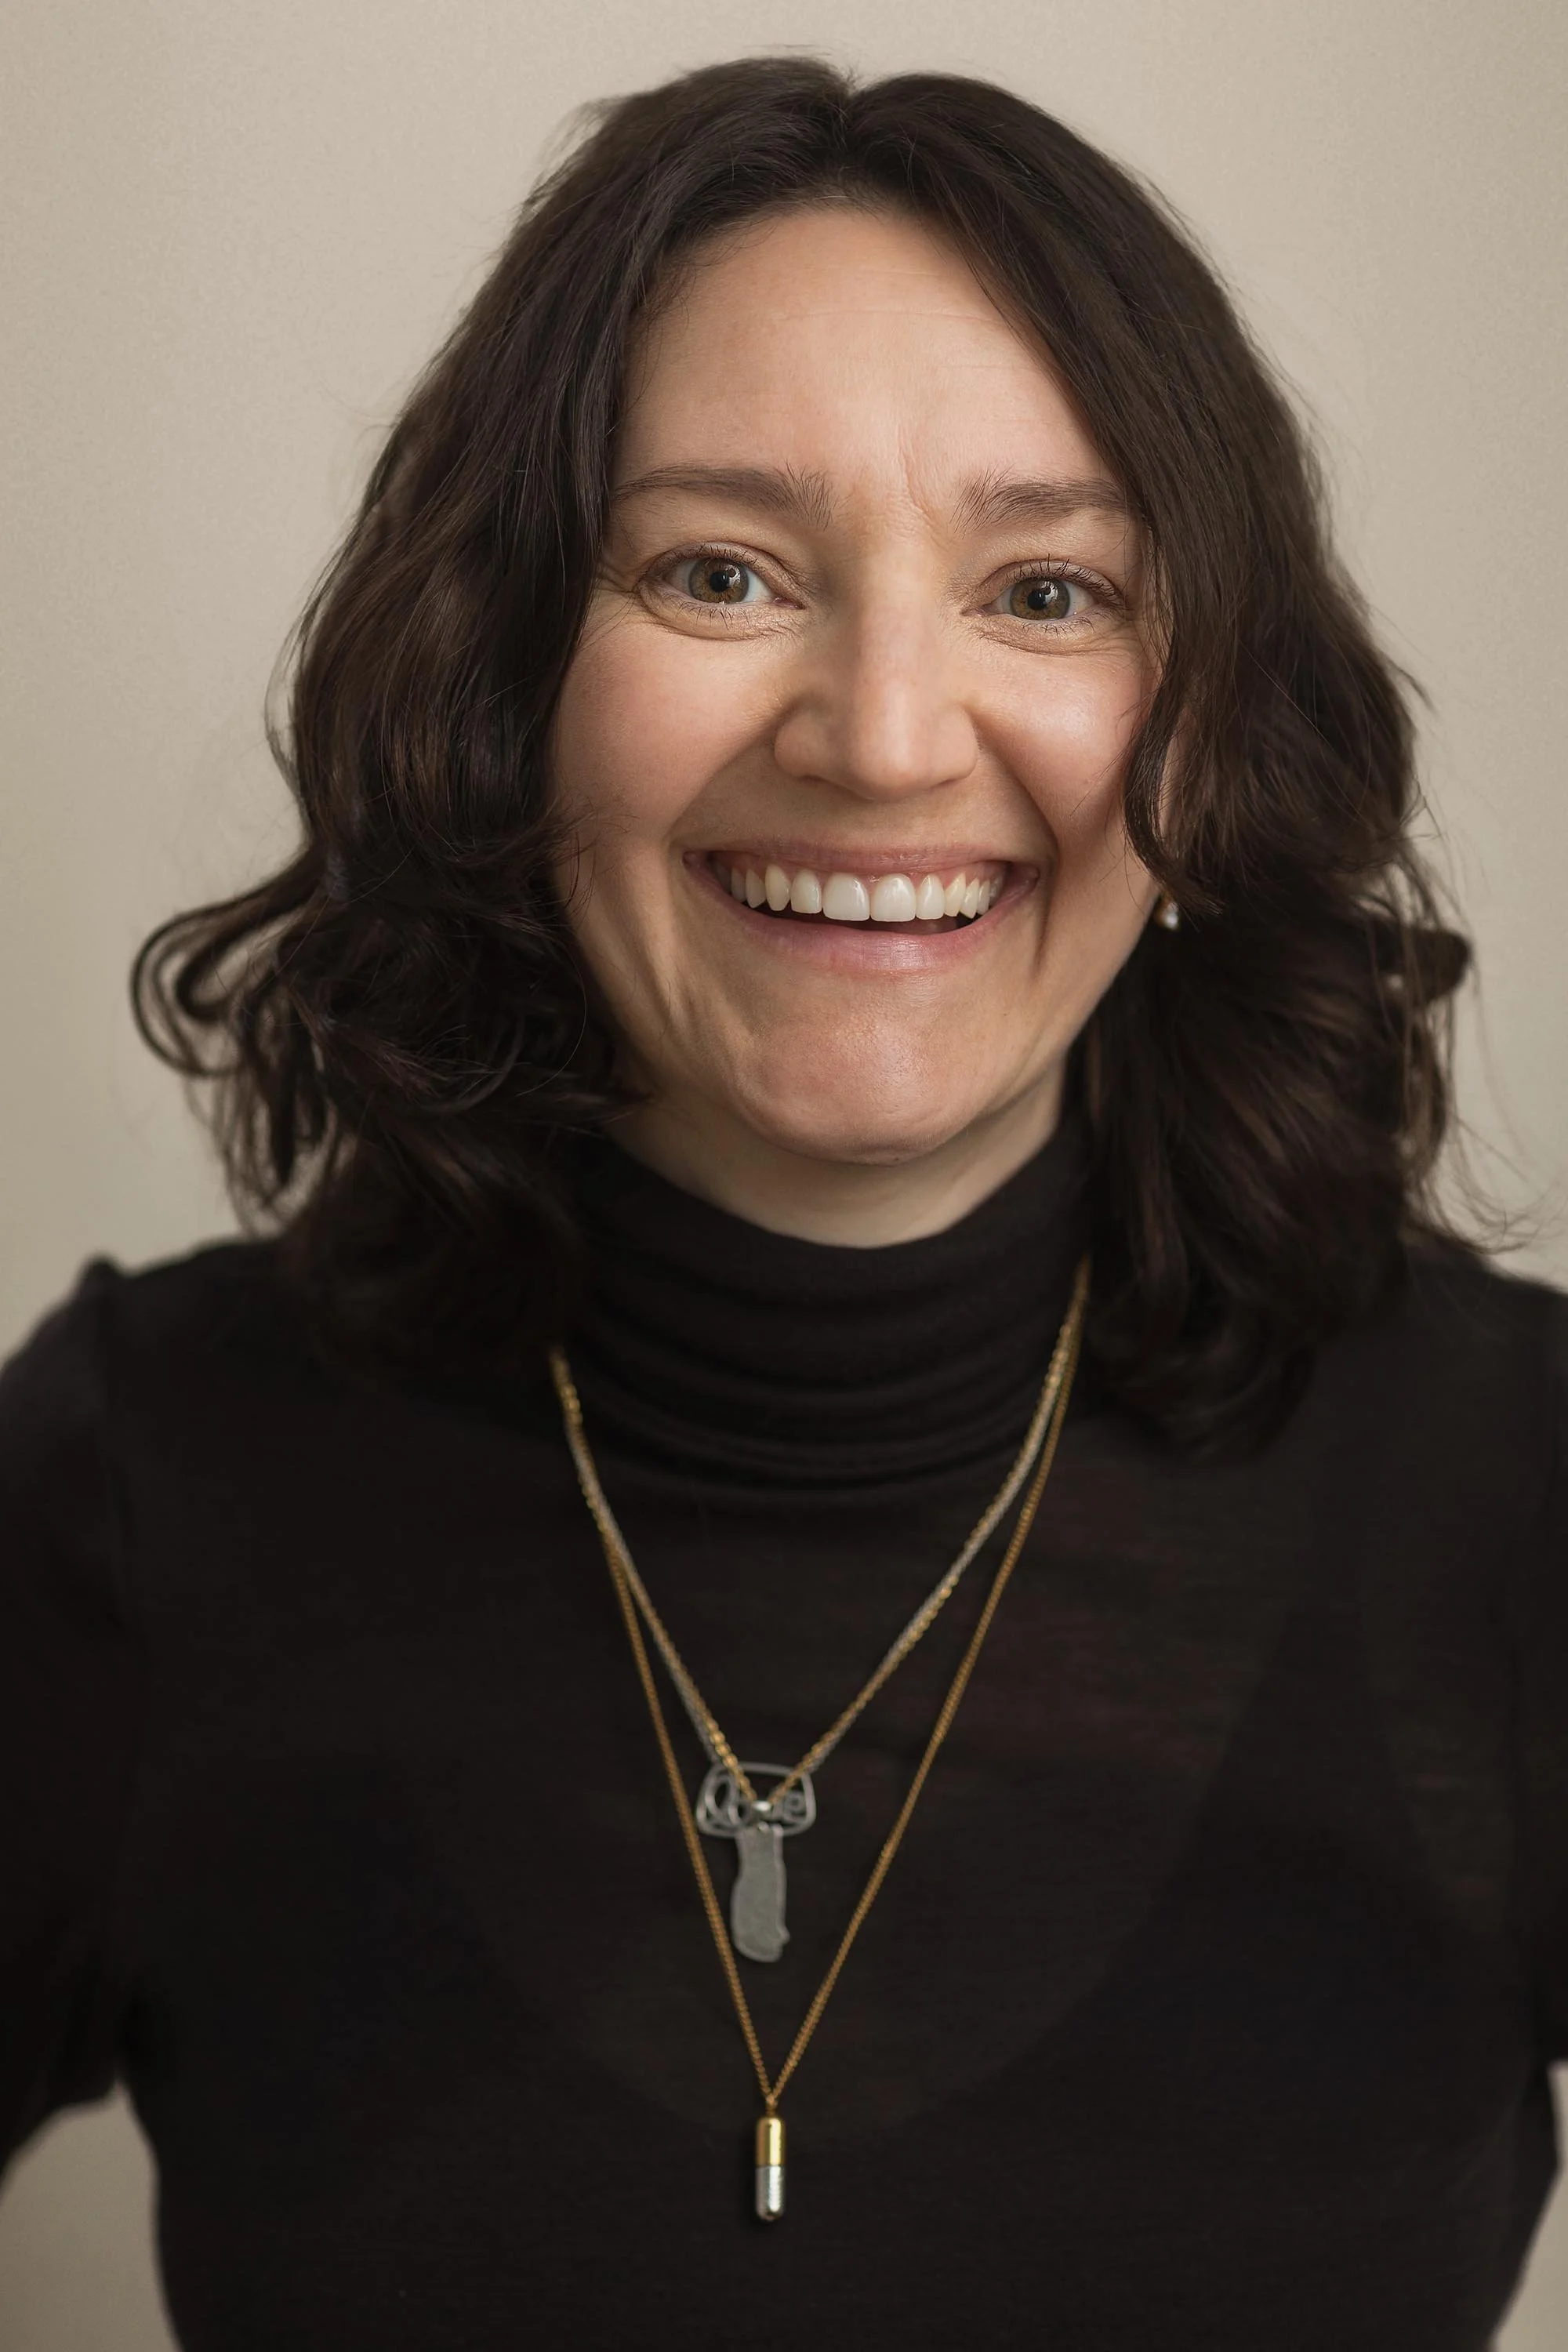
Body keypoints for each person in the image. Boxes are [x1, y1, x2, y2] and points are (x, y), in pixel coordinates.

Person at [2, 53, 1563, 2352]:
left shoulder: (1513, 1504)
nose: (887, 731)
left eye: (1046, 587)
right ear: (509, 672)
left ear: (1210, 726)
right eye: (721, 569)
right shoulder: (143, 1487)